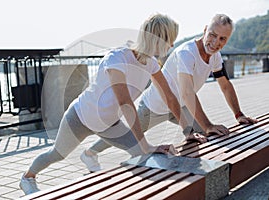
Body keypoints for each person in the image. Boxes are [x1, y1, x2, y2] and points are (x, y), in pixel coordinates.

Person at [19, 13, 184, 195]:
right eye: (171, 40)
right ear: (160, 38)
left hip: (109, 124)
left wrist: (188, 131)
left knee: (141, 153)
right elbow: (125, 103)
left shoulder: (152, 64)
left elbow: (169, 97)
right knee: (57, 154)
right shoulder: (117, 58)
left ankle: (91, 159)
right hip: (81, 117)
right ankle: (27, 177)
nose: (172, 45)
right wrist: (144, 142)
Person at [80, 13, 258, 172]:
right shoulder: (187, 53)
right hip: (153, 108)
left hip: (179, 108)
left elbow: (225, 85)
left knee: (203, 137)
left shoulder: (216, 57)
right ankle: (89, 153)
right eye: (212, 35)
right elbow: (187, 92)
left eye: (222, 39)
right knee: (125, 136)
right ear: (205, 30)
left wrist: (238, 114)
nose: (216, 42)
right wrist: (208, 124)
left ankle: (196, 174)